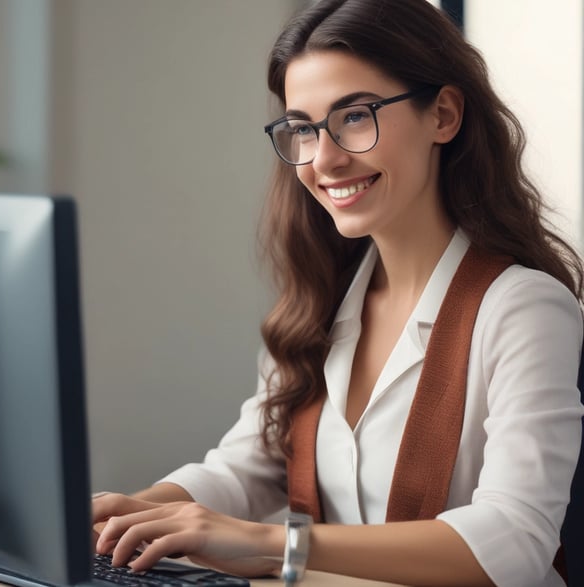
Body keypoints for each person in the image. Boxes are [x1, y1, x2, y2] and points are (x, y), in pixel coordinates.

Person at [92, 1, 584, 585]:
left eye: (354, 116)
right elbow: (251, 464)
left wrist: (270, 543)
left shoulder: (521, 307)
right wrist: (134, 513)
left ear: (444, 115)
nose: (322, 159)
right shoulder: (319, 300)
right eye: (302, 127)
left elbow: (515, 538)